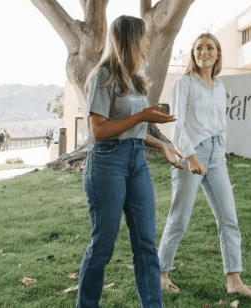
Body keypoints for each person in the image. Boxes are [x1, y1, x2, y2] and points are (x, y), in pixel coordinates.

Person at [75, 15, 183, 308]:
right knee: (103, 246)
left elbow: (132, 130)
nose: (149, 42)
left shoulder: (136, 79)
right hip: (107, 164)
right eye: (145, 37)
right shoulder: (102, 76)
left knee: (147, 245)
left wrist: (161, 144)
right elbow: (99, 131)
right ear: (132, 39)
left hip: (136, 161)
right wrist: (143, 116)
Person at [157, 33, 251, 298]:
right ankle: (159, 274)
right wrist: (190, 155)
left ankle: (234, 281)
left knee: (229, 217)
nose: (204, 52)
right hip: (191, 153)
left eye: (210, 48)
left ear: (217, 54)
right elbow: (176, 122)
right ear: (193, 54)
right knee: (179, 217)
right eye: (199, 48)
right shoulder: (184, 84)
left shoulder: (219, 87)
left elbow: (221, 125)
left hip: (216, 156)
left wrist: (220, 156)